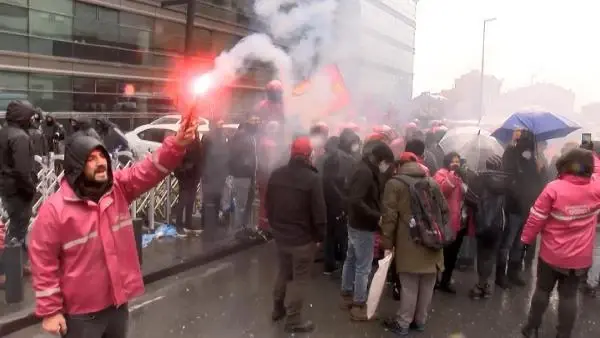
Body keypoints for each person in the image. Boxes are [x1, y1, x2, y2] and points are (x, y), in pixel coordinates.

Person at [28, 120, 198, 338]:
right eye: (91, 159)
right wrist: (51, 312)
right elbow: (43, 263)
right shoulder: (54, 210)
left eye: (102, 156)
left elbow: (148, 170)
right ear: (76, 167)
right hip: (81, 316)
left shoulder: (116, 188)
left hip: (117, 306)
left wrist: (177, 144)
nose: (101, 163)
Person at [520, 148, 600, 338]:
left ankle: (532, 326)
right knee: (569, 296)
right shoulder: (596, 188)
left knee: (542, 290)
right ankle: (563, 334)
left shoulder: (554, 188)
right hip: (580, 258)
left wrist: (526, 240)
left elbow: (535, 219)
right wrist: (590, 156)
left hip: (551, 254)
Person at [380, 152, 448, 335]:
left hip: (410, 242)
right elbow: (444, 210)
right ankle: (420, 320)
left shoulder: (394, 184)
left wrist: (387, 243)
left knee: (409, 285)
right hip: (433, 241)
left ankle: (403, 323)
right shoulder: (432, 182)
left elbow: (389, 217)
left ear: (399, 165)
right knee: (427, 283)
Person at [266, 136, 326, 333]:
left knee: (283, 271)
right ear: (309, 155)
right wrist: (320, 237)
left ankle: (277, 309)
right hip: (303, 239)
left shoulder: (276, 175)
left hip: (281, 236)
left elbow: (269, 206)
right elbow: (319, 212)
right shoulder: (313, 178)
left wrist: (275, 228)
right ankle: (293, 320)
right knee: (300, 279)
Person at [340, 142, 394, 321]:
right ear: (380, 160)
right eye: (386, 162)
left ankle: (347, 293)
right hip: (363, 225)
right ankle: (358, 305)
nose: (386, 166)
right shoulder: (365, 172)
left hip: (354, 222)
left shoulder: (361, 166)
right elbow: (357, 199)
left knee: (351, 258)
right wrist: (376, 216)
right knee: (363, 266)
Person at [500, 130, 548, 288]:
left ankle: (513, 272)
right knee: (508, 242)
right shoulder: (510, 154)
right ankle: (501, 276)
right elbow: (509, 178)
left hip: (528, 206)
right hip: (514, 206)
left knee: (520, 243)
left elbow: (540, 183)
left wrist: (540, 170)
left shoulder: (534, 159)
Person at [0, 100, 38, 287]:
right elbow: (23, 170)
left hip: (7, 187)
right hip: (18, 190)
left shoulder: (4, 132)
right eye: (29, 116)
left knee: (18, 228)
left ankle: (19, 264)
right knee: (16, 230)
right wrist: (31, 188)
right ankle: (5, 271)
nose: (32, 120)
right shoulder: (20, 137)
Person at [468, 155, 509, 299]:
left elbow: (470, 200)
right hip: (498, 223)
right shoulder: (506, 181)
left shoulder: (478, 179)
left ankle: (480, 285)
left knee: (482, 254)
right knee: (490, 255)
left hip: (482, 222)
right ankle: (485, 285)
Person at [433, 152, 469, 293]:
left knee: (453, 254)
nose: (456, 163)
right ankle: (435, 280)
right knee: (441, 252)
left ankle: (446, 281)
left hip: (460, 221)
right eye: (453, 161)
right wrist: (453, 175)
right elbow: (442, 190)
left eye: (458, 161)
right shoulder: (441, 174)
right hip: (445, 221)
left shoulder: (460, 175)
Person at [228, 114, 260, 237]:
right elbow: (235, 155)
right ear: (247, 121)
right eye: (254, 120)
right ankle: (238, 230)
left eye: (258, 120)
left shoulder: (251, 136)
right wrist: (244, 166)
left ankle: (244, 227)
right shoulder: (241, 135)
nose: (257, 123)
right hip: (242, 175)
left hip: (249, 174)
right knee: (241, 204)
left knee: (248, 202)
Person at [173, 128, 203, 237]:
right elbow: (178, 155)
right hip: (185, 175)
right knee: (183, 201)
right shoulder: (183, 136)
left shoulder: (196, 136)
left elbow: (198, 155)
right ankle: (178, 226)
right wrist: (182, 170)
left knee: (191, 200)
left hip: (194, 174)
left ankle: (188, 224)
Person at [200, 119, 229, 228]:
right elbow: (203, 155)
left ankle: (215, 219)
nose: (222, 126)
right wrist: (204, 171)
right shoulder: (207, 137)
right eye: (220, 124)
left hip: (220, 172)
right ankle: (205, 222)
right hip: (209, 172)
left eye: (222, 124)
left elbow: (225, 153)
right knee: (208, 198)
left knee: (217, 197)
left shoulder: (222, 137)